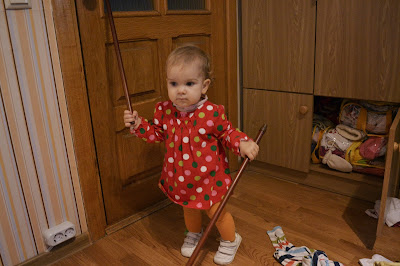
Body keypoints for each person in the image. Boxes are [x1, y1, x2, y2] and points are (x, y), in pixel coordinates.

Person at [124, 45, 259, 265]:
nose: (180, 90)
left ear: (204, 86)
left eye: (189, 83)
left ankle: (230, 240)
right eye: (174, 83)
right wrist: (138, 124)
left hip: (209, 178)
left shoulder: (211, 113)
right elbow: (155, 134)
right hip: (181, 178)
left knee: (217, 212)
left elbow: (227, 133)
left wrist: (243, 144)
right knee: (189, 210)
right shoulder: (165, 111)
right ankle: (194, 234)